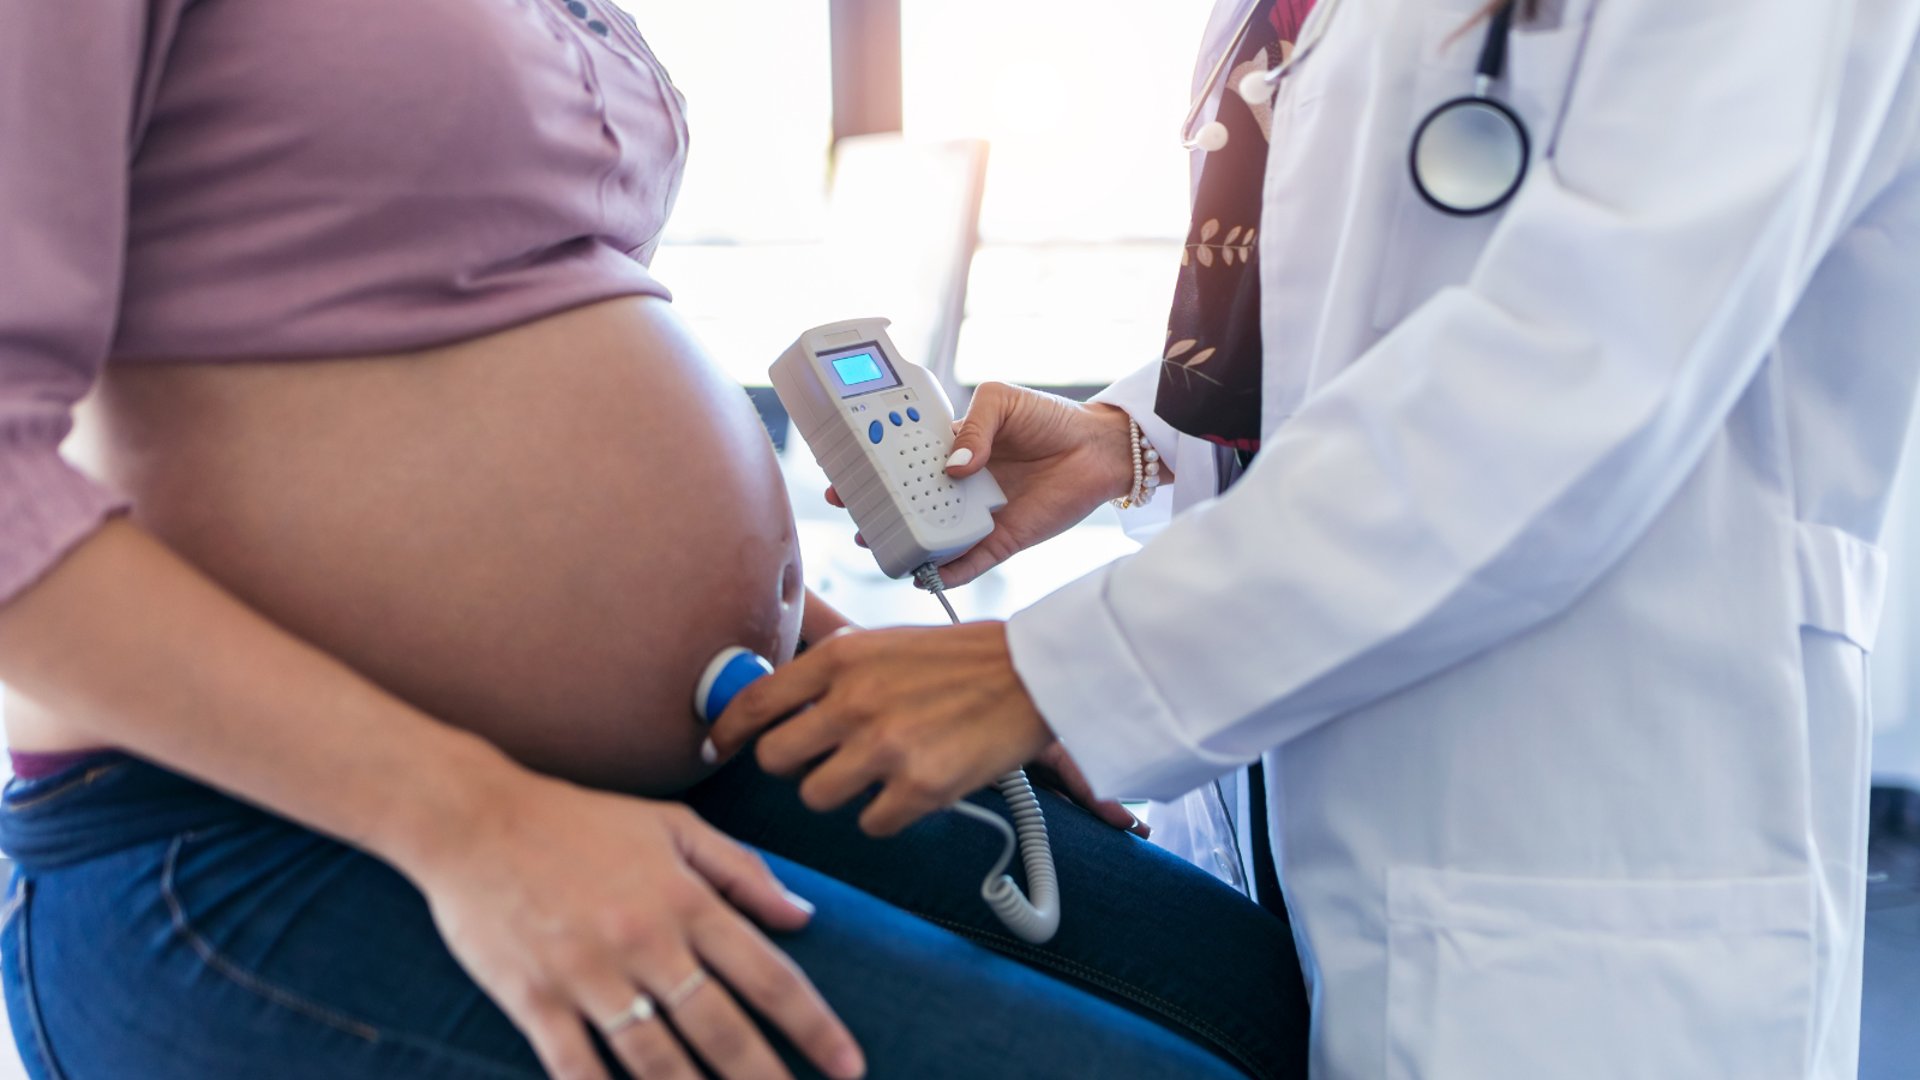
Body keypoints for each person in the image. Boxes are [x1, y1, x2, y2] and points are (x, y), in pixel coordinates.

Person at [0, 3, 1311, 1078]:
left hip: (697, 741)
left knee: (1247, 998)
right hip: (277, 818)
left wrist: (856, 663)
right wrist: (476, 826)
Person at [710, 0, 1920, 1077]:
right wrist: (1133, 439)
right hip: (1300, 806)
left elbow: (1583, 372)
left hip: (1585, 806)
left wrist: (1046, 669)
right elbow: (1343, 326)